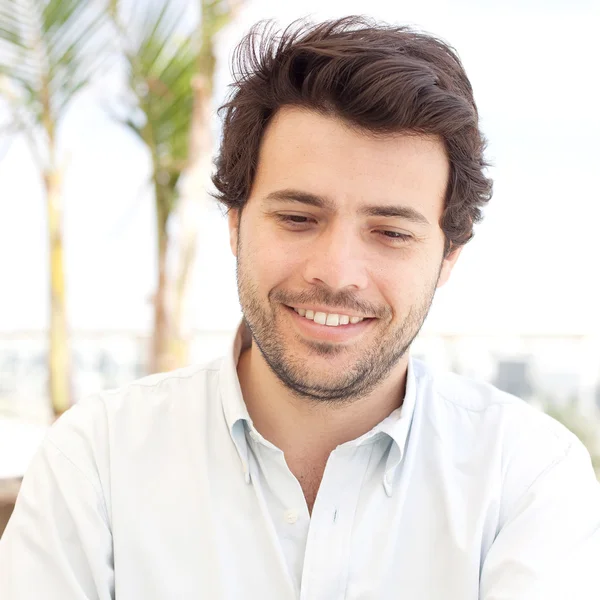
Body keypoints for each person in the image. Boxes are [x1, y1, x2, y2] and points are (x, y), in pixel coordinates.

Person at [1, 16, 599, 600]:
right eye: (297, 218)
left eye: (390, 232)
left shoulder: (527, 478)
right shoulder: (98, 461)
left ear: (448, 257)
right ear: (235, 225)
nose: (336, 272)